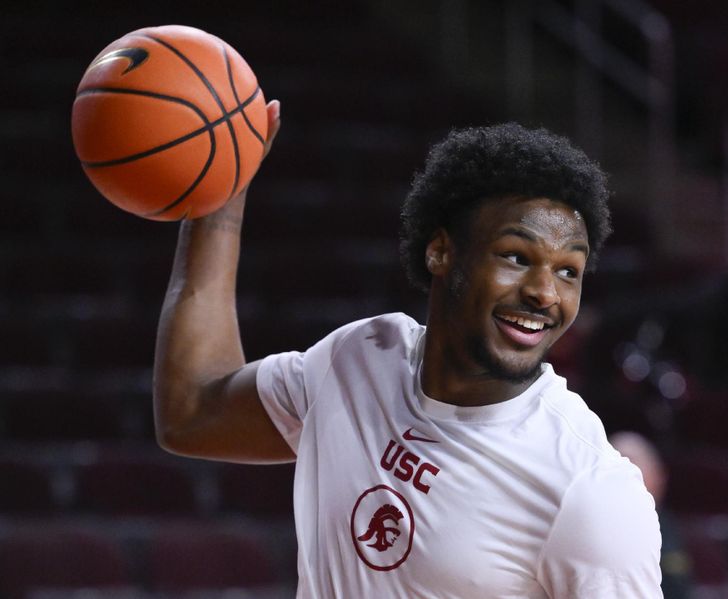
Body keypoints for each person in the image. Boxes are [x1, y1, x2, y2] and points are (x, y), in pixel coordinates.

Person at [153, 100, 663, 598]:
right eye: (515, 256)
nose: (545, 293)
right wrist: (220, 194)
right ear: (440, 250)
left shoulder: (590, 490)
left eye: (568, 270)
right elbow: (193, 412)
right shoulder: (360, 359)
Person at [610, 431, 693, 599]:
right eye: (617, 465)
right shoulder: (590, 530)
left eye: (633, 463)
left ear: (660, 477)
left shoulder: (671, 529)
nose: (626, 476)